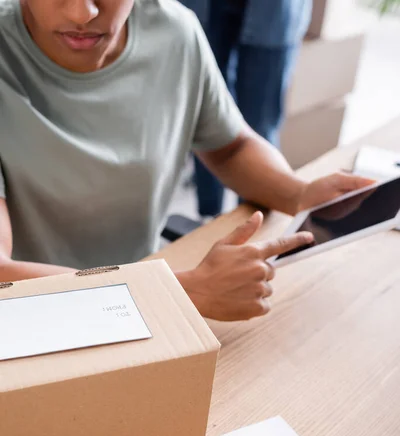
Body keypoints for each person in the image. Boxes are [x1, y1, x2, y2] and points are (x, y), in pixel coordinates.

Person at [0, 0, 371, 322]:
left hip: (147, 286)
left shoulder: (174, 31)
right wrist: (183, 291)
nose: (83, 12)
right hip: (34, 314)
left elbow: (230, 145)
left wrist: (298, 193)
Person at [180, 0, 312, 217]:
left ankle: (256, 225)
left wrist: (302, 195)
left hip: (275, 10)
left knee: (261, 121)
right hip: (205, 7)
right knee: (203, 117)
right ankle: (207, 217)